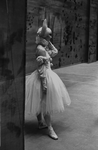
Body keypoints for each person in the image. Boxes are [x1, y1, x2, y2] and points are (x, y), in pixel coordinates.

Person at [25, 19, 71, 140]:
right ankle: (49, 127)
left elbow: (55, 52)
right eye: (49, 35)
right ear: (44, 36)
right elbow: (41, 69)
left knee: (39, 100)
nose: (51, 36)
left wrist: (49, 42)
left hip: (46, 74)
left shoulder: (44, 47)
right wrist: (44, 84)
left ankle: (40, 122)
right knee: (44, 102)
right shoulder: (40, 49)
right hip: (44, 76)